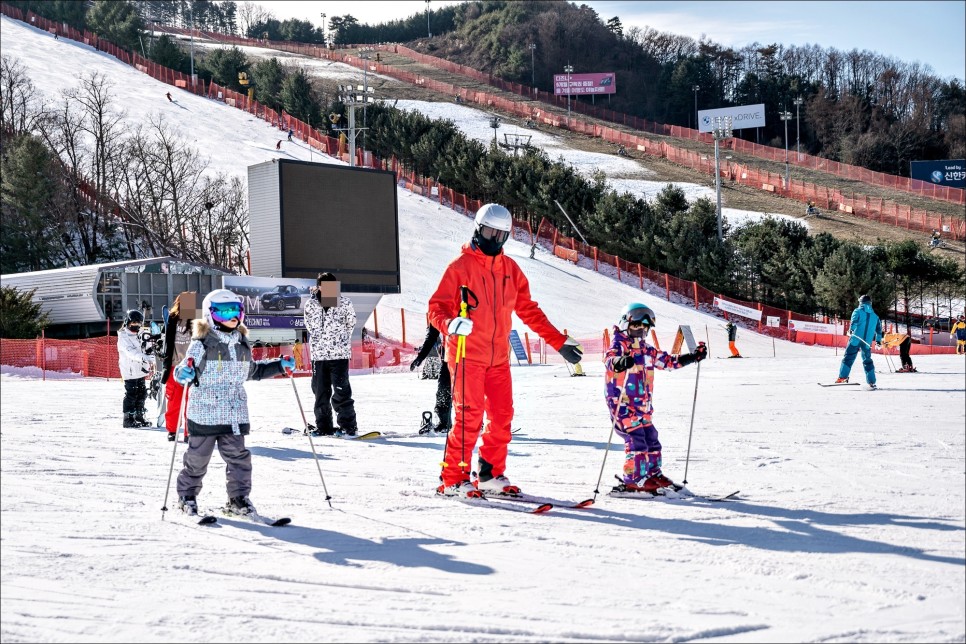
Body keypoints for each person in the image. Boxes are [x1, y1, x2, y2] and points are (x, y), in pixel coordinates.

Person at [427, 203, 583, 498]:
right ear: (477, 228)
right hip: (465, 355)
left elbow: (529, 311)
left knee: (501, 416)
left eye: (501, 235)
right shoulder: (459, 267)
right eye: (490, 232)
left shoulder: (510, 270)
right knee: (468, 416)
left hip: (498, 358)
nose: (494, 240)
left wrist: (558, 342)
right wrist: (450, 325)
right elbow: (435, 309)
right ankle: (453, 478)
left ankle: (489, 474)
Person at [173, 289, 295, 517]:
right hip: (205, 412)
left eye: (236, 311)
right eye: (223, 312)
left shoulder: (241, 343)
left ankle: (238, 499)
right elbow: (185, 367)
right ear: (210, 316)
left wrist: (279, 365)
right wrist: (184, 372)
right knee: (197, 460)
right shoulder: (202, 343)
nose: (232, 316)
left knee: (239, 459)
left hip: (234, 413)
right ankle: (186, 496)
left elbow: (252, 371)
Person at [605, 303, 707, 493]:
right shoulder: (619, 345)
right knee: (636, 440)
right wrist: (620, 362)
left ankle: (652, 473)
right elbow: (610, 359)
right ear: (626, 324)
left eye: (645, 328)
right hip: (623, 405)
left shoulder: (646, 350)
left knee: (651, 438)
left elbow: (668, 362)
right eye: (636, 326)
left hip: (643, 405)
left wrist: (692, 357)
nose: (641, 331)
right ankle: (633, 478)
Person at [303, 272, 359, 436]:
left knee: (342, 390)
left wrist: (340, 340)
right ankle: (324, 426)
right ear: (319, 286)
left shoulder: (344, 302)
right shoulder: (311, 305)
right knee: (320, 391)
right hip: (319, 356)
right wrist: (320, 340)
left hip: (339, 355)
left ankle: (348, 426)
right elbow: (309, 326)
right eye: (325, 285)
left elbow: (351, 323)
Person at [160, 292, 197, 441]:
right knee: (174, 401)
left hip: (191, 367)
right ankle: (173, 430)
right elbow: (167, 342)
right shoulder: (173, 319)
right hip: (175, 366)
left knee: (191, 402)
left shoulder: (198, 320)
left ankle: (190, 432)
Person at [410, 324, 451, 434]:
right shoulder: (439, 314)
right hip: (449, 360)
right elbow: (431, 337)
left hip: (471, 360)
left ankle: (472, 423)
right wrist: (420, 357)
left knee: (466, 394)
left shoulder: (468, 310)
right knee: (443, 392)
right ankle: (444, 423)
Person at [836, 294, 883, 389]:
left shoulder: (857, 311)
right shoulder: (875, 316)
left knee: (848, 357)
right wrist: (878, 341)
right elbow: (879, 330)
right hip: (867, 342)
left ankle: (843, 377)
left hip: (856, 339)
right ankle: (871, 382)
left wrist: (851, 330)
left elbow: (854, 321)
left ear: (861, 303)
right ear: (870, 304)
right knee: (867, 361)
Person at [117, 309, 153, 428]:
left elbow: (146, 346)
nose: (135, 326)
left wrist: (150, 350)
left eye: (138, 324)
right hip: (130, 370)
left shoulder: (140, 334)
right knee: (131, 394)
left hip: (140, 370)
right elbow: (130, 352)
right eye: (133, 324)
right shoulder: (123, 336)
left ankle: (139, 415)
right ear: (127, 322)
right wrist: (144, 357)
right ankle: (128, 418)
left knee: (142, 393)